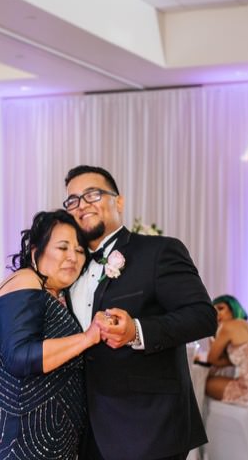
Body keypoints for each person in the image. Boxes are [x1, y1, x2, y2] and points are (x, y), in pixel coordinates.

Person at [63, 165, 216, 459]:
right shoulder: (70, 266)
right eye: (73, 200)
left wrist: (137, 331)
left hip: (147, 428)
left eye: (92, 194)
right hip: (85, 428)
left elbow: (202, 316)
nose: (82, 205)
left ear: (118, 202)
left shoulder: (158, 252)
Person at [0, 210, 107, 460]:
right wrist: (87, 337)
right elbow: (20, 357)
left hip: (43, 439)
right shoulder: (25, 280)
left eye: (79, 250)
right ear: (35, 252)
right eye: (63, 247)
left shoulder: (54, 294)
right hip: (14, 441)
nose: (73, 257)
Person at [204, 295, 248, 406]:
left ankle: (205, 421)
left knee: (202, 383)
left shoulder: (227, 326)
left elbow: (211, 359)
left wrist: (212, 336)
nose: (217, 314)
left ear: (233, 308)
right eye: (213, 311)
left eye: (220, 308)